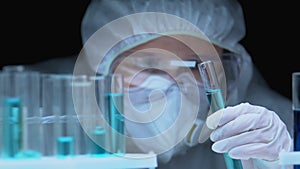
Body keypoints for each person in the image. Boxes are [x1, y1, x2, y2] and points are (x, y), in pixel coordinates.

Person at [24, 0, 293, 168]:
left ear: (229, 67)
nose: (175, 86)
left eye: (198, 66)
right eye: (149, 66)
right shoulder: (36, 114)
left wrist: (283, 162)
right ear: (102, 67)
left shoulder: (268, 132)